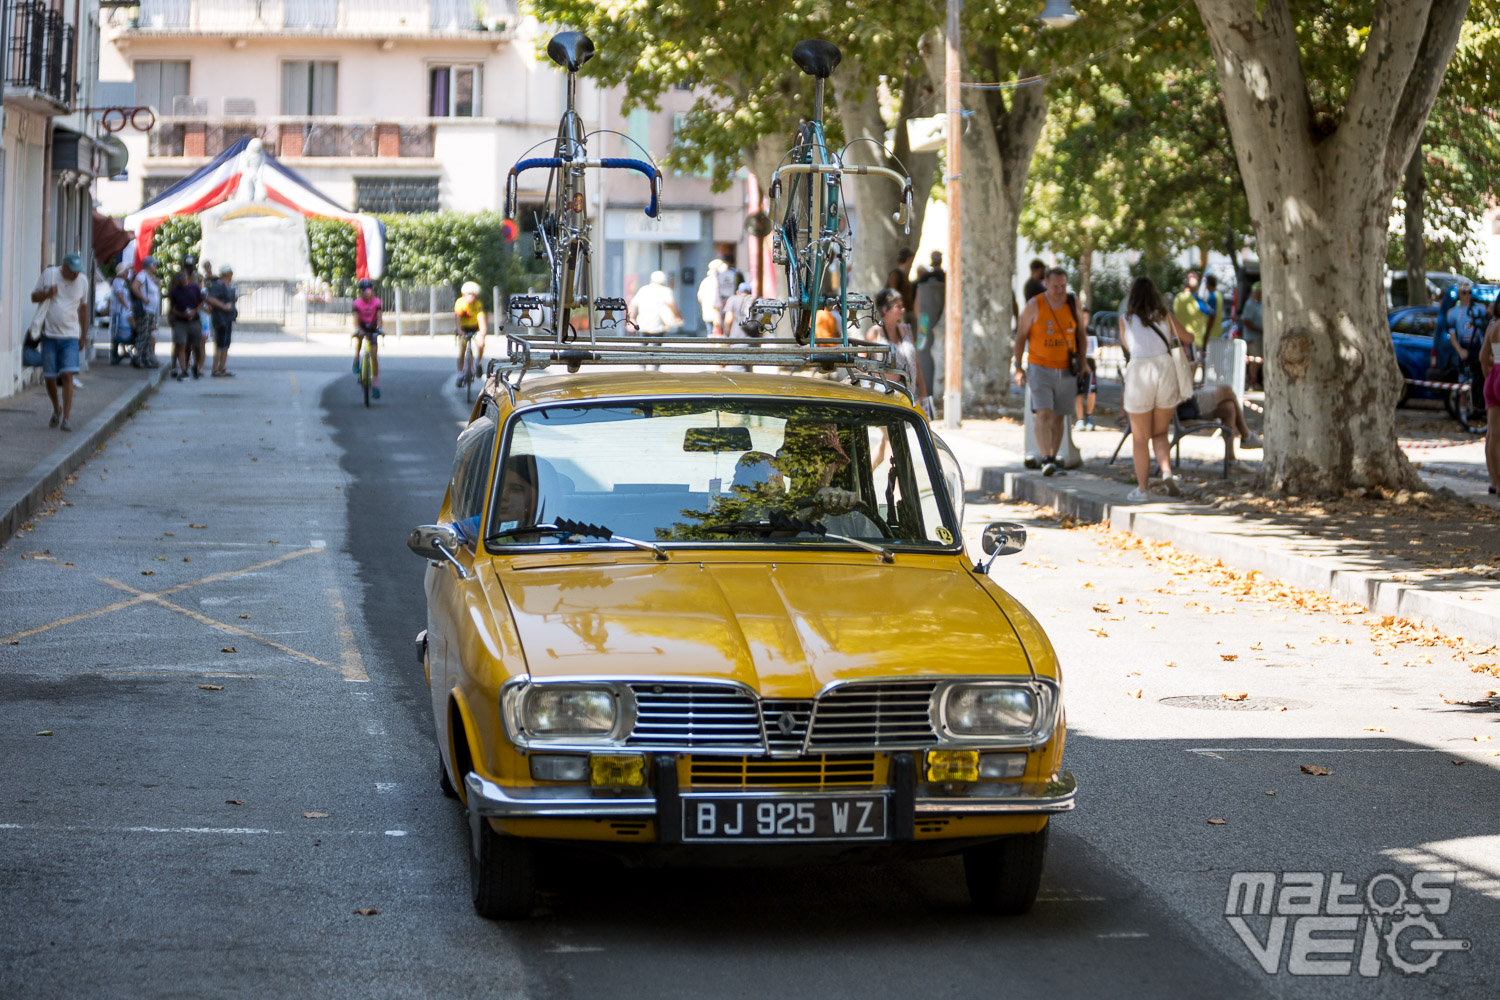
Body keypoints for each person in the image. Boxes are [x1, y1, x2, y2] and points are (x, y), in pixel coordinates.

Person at [1119, 275, 1195, 500]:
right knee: (1160, 432)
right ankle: (1167, 471)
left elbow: (1128, 346)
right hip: (1165, 370)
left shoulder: (1125, 320)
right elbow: (1188, 338)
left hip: (1140, 372)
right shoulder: (1166, 317)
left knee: (1140, 437)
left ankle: (1142, 489)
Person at [1013, 267, 1088, 476]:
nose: (1059, 290)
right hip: (1040, 367)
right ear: (1046, 284)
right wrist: (1018, 366)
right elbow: (1020, 336)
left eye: (1063, 286)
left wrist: (1083, 363)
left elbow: (1081, 335)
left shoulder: (1072, 304)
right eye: (1055, 286)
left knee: (1059, 416)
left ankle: (1053, 457)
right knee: (1043, 413)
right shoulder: (1034, 305)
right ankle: (1046, 457)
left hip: (1066, 369)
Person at [30, 252, 90, 431]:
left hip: (70, 336)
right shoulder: (49, 275)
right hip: (49, 335)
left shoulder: (83, 282)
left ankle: (66, 418)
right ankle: (56, 408)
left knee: (67, 375)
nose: (76, 275)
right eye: (73, 271)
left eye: (78, 271)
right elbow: (33, 297)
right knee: (49, 378)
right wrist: (47, 293)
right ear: (63, 268)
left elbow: (84, 310)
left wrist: (83, 336)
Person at [866, 287, 933, 416]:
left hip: (909, 396)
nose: (903, 310)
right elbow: (861, 365)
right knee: (889, 434)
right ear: (885, 310)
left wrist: (924, 394)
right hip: (885, 395)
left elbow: (916, 363)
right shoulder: (874, 333)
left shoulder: (907, 330)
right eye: (898, 306)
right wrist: (882, 376)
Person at [1177, 382, 1263, 464]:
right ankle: (1247, 436)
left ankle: (1232, 461)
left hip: (1183, 400)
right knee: (1226, 390)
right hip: (1183, 404)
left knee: (1228, 407)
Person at [1447, 280, 1490, 420]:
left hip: (1478, 349)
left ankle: (1484, 412)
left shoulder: (1480, 309)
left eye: (1469, 293)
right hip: (1464, 351)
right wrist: (1460, 351)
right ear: (1459, 294)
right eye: (1464, 293)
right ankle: (1463, 417)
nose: (1467, 295)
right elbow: (1452, 336)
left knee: (1482, 381)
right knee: (1463, 386)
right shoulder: (1453, 313)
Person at [167, 257, 204, 380]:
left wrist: (196, 311)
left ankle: (195, 367)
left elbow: (201, 302)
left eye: (184, 277)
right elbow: (171, 307)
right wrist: (177, 315)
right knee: (180, 344)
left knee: (197, 346)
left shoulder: (195, 287)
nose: (182, 280)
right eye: (180, 278)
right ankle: (183, 369)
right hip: (180, 320)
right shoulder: (174, 290)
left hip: (194, 319)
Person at [129, 256, 162, 370]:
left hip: (151, 311)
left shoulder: (150, 277)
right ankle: (138, 359)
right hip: (145, 311)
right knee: (143, 335)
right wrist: (143, 298)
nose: (156, 267)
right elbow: (134, 287)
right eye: (154, 265)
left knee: (148, 335)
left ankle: (145, 358)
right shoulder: (142, 275)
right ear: (149, 266)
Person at [1481, 299, 1500, 495]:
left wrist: (1492, 374)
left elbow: (1482, 357)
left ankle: (1494, 481)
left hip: (1494, 375)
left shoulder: (1492, 328)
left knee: (1492, 434)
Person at [351, 278, 382, 397]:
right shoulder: (357, 303)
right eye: (363, 290)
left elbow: (379, 317)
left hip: (373, 327)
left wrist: (379, 328)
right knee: (359, 338)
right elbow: (355, 318)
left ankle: (376, 384)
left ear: (372, 291)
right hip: (362, 325)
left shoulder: (377, 302)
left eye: (368, 290)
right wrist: (358, 329)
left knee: (374, 356)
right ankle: (357, 358)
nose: (366, 292)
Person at [205, 265, 238, 377]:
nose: (232, 275)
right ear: (227, 274)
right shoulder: (218, 285)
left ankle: (222, 368)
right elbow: (210, 299)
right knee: (220, 344)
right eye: (230, 273)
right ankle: (215, 369)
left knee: (226, 344)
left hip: (228, 318)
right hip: (220, 319)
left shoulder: (229, 285)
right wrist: (223, 306)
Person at [628, 270, 682, 336]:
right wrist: (678, 316)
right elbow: (672, 305)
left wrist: (631, 319)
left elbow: (633, 305)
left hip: (642, 325)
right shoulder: (665, 291)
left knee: (643, 344)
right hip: (658, 326)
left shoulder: (643, 289)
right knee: (656, 345)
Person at [454, 280, 487, 385]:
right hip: (463, 328)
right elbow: (458, 319)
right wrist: (460, 331)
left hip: (474, 327)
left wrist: (483, 331)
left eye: (473, 295)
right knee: (462, 349)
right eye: (469, 295)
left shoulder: (477, 304)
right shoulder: (460, 303)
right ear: (463, 295)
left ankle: (479, 363)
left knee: (481, 343)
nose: (471, 297)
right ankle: (460, 375)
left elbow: (481, 318)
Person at [1172, 272, 1208, 369]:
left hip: (1180, 337)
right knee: (1193, 363)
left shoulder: (1177, 298)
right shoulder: (1196, 299)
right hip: (1194, 338)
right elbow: (1208, 311)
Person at [1239, 281, 1265, 390]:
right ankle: (1252, 382)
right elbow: (1246, 321)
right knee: (1255, 361)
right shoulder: (1250, 304)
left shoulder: (1260, 304)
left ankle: (1253, 381)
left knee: (1257, 361)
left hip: (1259, 337)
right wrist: (1260, 330)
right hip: (1253, 338)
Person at [109, 264, 133, 365]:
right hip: (118, 312)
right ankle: (114, 355)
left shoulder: (123, 282)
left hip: (123, 312)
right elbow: (120, 296)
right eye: (126, 272)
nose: (127, 274)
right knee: (116, 333)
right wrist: (127, 307)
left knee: (121, 332)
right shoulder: (117, 282)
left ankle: (122, 352)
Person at [698, 258, 727, 336]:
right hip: (718, 314)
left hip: (707, 313)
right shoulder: (719, 281)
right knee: (719, 336)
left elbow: (699, 297)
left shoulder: (705, 281)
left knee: (710, 333)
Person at [886, 247, 916, 315]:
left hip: (907, 311)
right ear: (908, 259)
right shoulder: (895, 275)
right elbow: (892, 293)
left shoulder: (904, 275)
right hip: (900, 312)